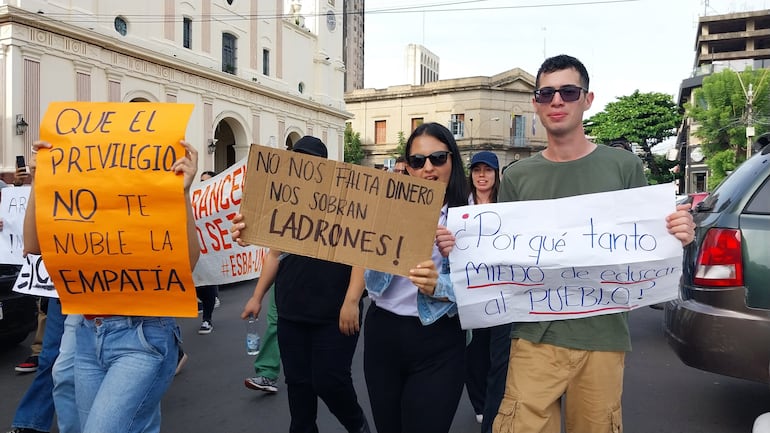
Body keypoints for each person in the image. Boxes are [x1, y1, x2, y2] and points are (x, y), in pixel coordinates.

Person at [491, 54, 695, 433]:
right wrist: (465, 246)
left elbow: (647, 242)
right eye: (547, 93)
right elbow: (500, 253)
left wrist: (678, 232)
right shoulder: (518, 177)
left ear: (587, 99)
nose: (557, 101)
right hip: (533, 338)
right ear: (535, 102)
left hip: (602, 335)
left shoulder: (623, 167)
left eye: (568, 91)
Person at [23, 140, 201, 433]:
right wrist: (38, 182)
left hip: (143, 337)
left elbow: (188, 263)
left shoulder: (148, 204)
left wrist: (183, 193)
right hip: (88, 336)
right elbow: (33, 244)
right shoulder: (76, 207)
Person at [231, 136, 370, 433]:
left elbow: (362, 252)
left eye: (310, 160)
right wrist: (257, 297)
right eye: (297, 158)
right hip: (292, 313)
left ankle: (357, 424)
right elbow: (273, 255)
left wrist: (351, 301)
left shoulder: (345, 201)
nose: (302, 164)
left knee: (330, 380)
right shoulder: (284, 202)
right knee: (299, 387)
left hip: (334, 315)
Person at [363, 122, 469, 433]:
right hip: (383, 333)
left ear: (452, 160)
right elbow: (332, 233)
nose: (428, 168)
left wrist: (442, 284)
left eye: (438, 158)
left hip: (439, 338)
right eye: (417, 161)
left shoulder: (472, 217)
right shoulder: (384, 208)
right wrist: (258, 228)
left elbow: (485, 288)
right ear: (407, 166)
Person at [463, 151, 512, 433]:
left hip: (503, 295)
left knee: (500, 356)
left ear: (496, 175)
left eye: (488, 170)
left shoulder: (509, 206)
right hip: (471, 294)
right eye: (477, 170)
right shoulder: (459, 207)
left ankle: (493, 412)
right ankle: (480, 403)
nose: (482, 175)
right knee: (474, 355)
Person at [244, 283, 281, 393]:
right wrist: (256, 298)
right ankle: (268, 373)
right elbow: (272, 264)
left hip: (323, 274)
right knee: (276, 322)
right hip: (285, 275)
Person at [195, 170, 220, 334]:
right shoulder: (194, 199)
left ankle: (207, 319)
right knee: (197, 283)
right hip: (197, 248)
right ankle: (205, 300)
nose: (203, 183)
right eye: (201, 180)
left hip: (212, 250)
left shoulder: (219, 202)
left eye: (207, 181)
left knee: (208, 282)